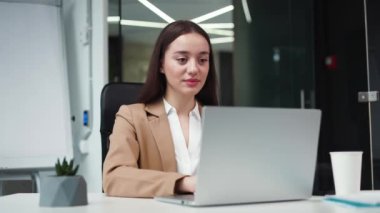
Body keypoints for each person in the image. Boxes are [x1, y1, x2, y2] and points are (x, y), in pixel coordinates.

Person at [103, 20, 219, 198]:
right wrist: (183, 183)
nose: (194, 69)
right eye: (182, 59)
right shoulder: (132, 117)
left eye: (203, 60)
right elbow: (114, 178)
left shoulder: (220, 122)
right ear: (161, 65)